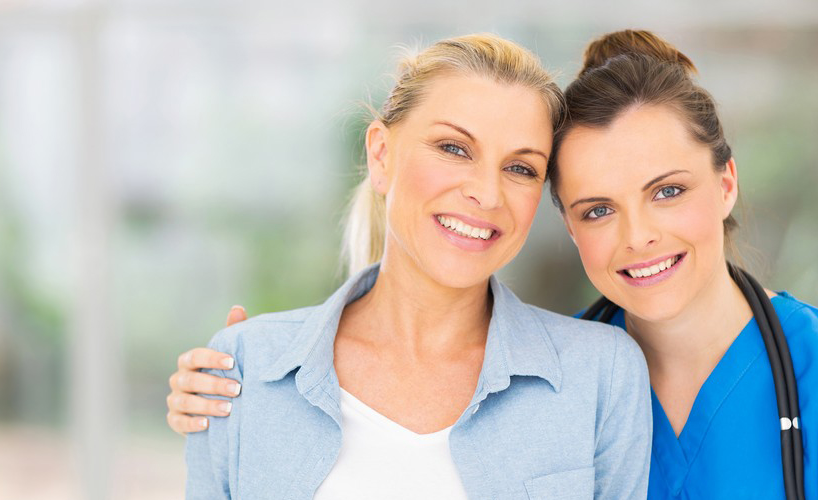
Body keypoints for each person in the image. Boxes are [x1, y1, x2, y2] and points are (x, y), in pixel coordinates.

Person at [174, 30, 818, 499]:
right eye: (596, 209)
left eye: (668, 190)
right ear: (568, 224)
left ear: (726, 182)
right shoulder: (583, 377)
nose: (639, 236)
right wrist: (254, 369)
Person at [182, 33, 651, 500]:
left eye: (521, 168)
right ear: (381, 154)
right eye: (453, 148)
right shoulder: (243, 368)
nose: (487, 194)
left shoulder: (601, 373)